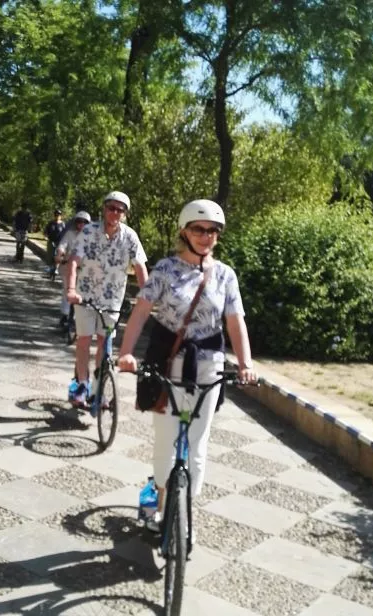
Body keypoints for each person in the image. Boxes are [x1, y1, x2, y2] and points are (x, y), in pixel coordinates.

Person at [117, 199, 258, 531]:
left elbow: (236, 323)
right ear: (185, 230)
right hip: (168, 365)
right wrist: (126, 353)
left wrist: (246, 364)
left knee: (197, 444)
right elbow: (140, 312)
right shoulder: (165, 269)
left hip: (209, 367)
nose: (206, 236)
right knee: (166, 441)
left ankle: (183, 515)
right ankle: (161, 499)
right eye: (199, 229)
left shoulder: (225, 275)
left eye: (212, 231)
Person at [66, 191, 148, 407]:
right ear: (104, 208)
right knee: (84, 340)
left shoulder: (130, 236)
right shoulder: (89, 231)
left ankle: (98, 389)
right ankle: (82, 384)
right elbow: (74, 262)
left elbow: (140, 267)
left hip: (112, 300)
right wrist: (72, 290)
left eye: (119, 210)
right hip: (84, 296)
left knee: (104, 341)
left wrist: (146, 296)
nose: (114, 213)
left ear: (125, 214)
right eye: (111, 208)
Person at [55, 211, 91, 327]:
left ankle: (77, 317)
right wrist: (60, 254)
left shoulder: (91, 237)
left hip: (84, 270)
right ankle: (65, 315)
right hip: (68, 266)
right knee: (67, 290)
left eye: (84, 222)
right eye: (79, 221)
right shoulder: (70, 234)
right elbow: (62, 245)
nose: (81, 224)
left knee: (81, 293)